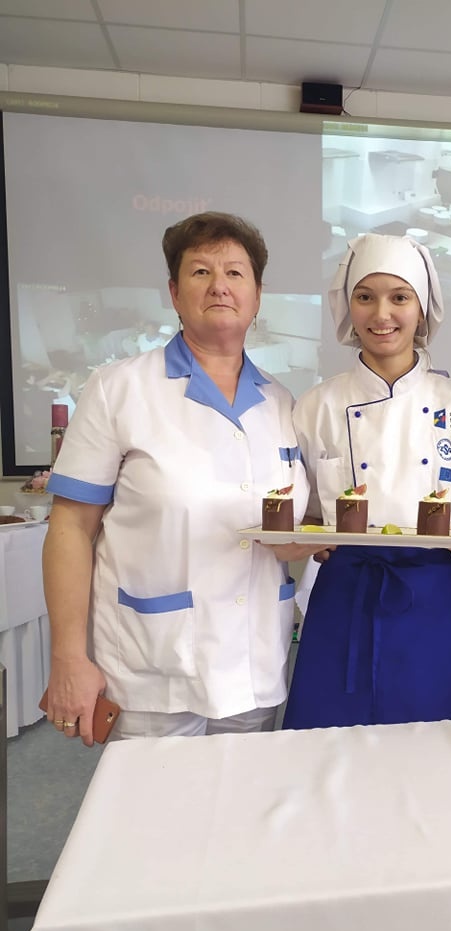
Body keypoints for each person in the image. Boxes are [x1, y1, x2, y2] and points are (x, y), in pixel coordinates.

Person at [43, 211, 309, 744]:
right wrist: (68, 657)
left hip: (253, 665)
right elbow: (70, 527)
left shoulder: (282, 403)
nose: (219, 286)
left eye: (235, 273)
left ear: (257, 295)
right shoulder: (118, 388)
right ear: (173, 292)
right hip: (153, 666)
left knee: (245, 795)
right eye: (201, 271)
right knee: (153, 798)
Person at [282, 233, 451, 729]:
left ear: (422, 310)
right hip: (343, 591)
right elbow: (307, 510)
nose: (382, 314)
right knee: (326, 736)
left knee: (427, 736)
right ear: (348, 307)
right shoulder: (315, 406)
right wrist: (310, 536)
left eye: (400, 297)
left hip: (432, 592)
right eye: (365, 297)